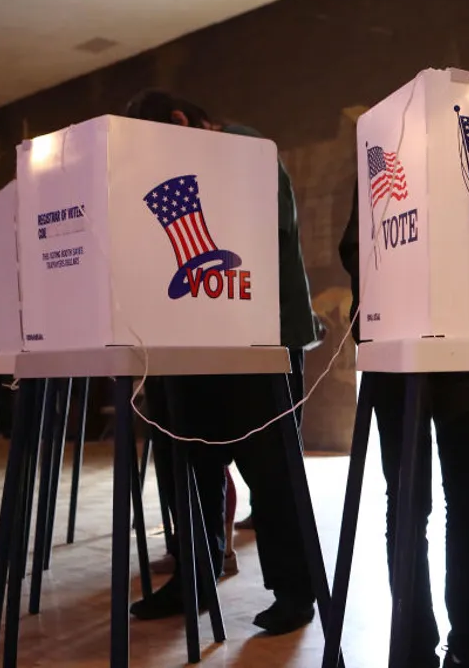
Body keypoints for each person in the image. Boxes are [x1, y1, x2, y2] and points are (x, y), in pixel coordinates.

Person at [336, 50, 469, 668]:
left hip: (464, 350)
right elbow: (361, 247)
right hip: (399, 352)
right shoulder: (413, 131)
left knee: (466, 497)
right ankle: (412, 646)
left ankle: (468, 646)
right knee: (410, 501)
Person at [123, 89, 323, 635]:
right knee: (188, 463)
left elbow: (263, 234)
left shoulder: (244, 146)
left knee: (271, 473)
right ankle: (195, 577)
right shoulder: (193, 160)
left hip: (257, 338)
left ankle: (295, 591)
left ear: (182, 122)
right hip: (192, 333)